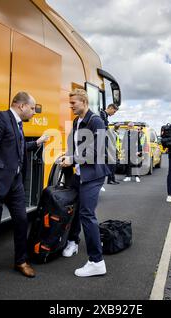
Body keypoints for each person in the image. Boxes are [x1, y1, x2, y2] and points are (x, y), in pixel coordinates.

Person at [0, 92, 48, 282]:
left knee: (22, 220)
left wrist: (37, 143)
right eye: (32, 108)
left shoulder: (17, 124)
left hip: (14, 182)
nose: (34, 112)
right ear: (21, 106)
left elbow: (16, 147)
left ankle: (21, 261)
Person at [60, 89, 111, 277]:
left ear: (84, 101)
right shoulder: (77, 121)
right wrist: (67, 155)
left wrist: (72, 159)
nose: (71, 106)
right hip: (80, 174)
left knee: (87, 214)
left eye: (74, 103)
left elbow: (96, 152)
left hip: (93, 175)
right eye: (70, 102)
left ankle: (97, 261)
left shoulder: (96, 121)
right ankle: (73, 242)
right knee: (75, 209)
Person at [100, 104, 119, 186]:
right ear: (110, 108)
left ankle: (111, 179)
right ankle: (108, 179)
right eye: (114, 111)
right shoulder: (101, 114)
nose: (114, 114)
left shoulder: (104, 115)